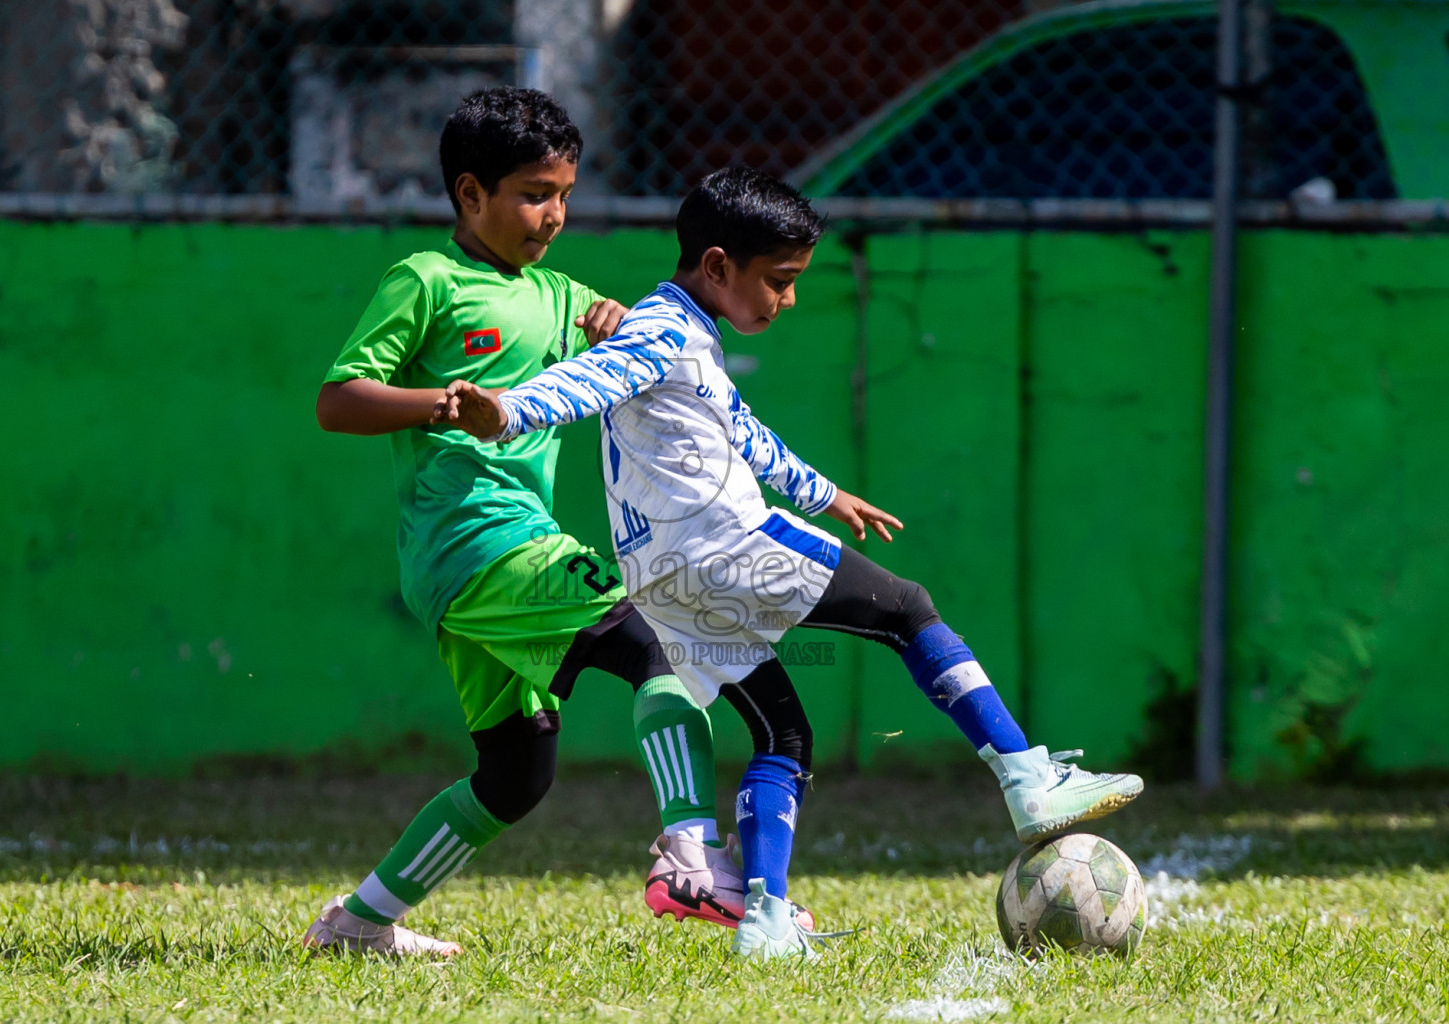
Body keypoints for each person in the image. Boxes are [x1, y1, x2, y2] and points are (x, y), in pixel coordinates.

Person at [442, 166, 1145, 959]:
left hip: (666, 578)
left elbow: (744, 431)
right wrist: (505, 413)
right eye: (778, 281)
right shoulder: (658, 330)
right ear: (716, 266)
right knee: (908, 609)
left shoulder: (686, 331)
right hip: (726, 542)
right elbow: (585, 381)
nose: (789, 299)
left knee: (784, 736)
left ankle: (766, 920)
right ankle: (1026, 777)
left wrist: (827, 494)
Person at [301, 89, 754, 958]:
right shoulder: (425, 281)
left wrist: (624, 327)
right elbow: (337, 400)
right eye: (533, 193)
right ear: (470, 194)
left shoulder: (559, 294)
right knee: (655, 639)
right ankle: (691, 854)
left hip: (488, 563)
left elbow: (626, 340)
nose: (554, 215)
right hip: (476, 541)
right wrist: (443, 404)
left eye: (565, 194)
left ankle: (360, 923)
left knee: (515, 776)